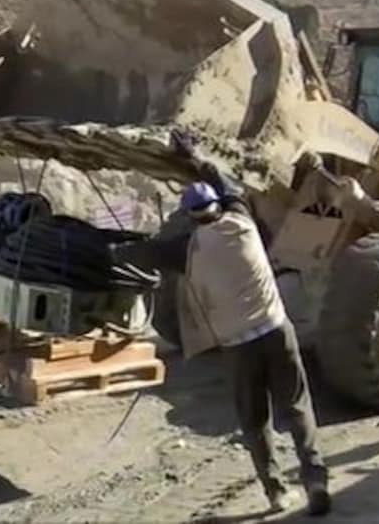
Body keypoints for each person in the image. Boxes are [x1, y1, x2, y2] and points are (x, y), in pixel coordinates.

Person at [112, 131, 331, 516]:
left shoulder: (187, 250)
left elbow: (143, 252)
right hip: (278, 331)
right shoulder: (242, 222)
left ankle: (277, 492)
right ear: (217, 206)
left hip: (238, 346)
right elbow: (224, 181)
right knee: (297, 406)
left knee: (255, 420)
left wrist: (104, 249)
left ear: (190, 217)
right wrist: (194, 156)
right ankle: (315, 479)